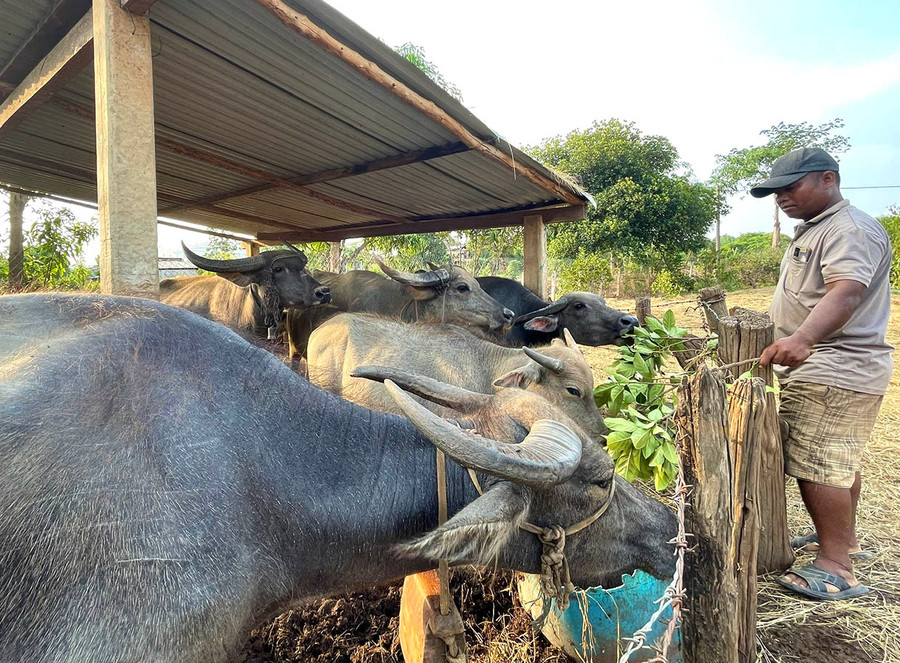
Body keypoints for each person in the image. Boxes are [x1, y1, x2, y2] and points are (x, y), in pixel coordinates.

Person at [754, 147, 893, 601]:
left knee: (821, 464)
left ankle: (836, 565)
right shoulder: (818, 229)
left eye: (791, 187)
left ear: (828, 180)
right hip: (826, 365)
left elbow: (847, 292)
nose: (782, 198)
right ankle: (842, 542)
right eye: (776, 191)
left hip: (835, 364)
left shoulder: (848, 229)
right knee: (836, 460)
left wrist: (804, 339)